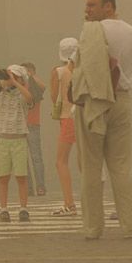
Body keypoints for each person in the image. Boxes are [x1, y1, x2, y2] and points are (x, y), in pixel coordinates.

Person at [74, 0, 132, 240]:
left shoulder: (92, 30)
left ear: (108, 6)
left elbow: (83, 67)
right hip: (122, 100)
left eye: (92, 5)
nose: (87, 10)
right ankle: (131, 225)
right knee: (120, 167)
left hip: (95, 101)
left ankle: (92, 228)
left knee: (91, 167)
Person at [0, 65, 35, 222]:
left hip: (19, 140)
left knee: (21, 177)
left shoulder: (21, 96)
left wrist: (15, 82)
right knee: (3, 177)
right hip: (3, 141)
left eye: (15, 77)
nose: (9, 80)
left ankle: (23, 208)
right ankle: (3, 209)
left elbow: (29, 98)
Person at [50, 38, 78, 216]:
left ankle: (69, 203)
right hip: (84, 118)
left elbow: (54, 98)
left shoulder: (58, 72)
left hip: (67, 118)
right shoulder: (83, 70)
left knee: (61, 161)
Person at [21, 62, 48, 196]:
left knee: (36, 157)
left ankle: (40, 186)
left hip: (33, 124)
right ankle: (28, 187)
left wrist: (31, 75)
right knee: (22, 159)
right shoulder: (19, 86)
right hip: (20, 125)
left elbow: (44, 87)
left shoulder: (35, 85)